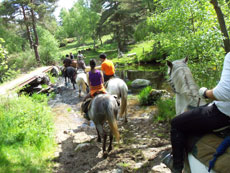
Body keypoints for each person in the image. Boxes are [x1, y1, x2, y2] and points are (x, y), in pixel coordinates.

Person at [165, 52, 230, 173]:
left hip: (224, 114)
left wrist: (205, 92)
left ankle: (176, 167)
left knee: (176, 124)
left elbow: (224, 92)